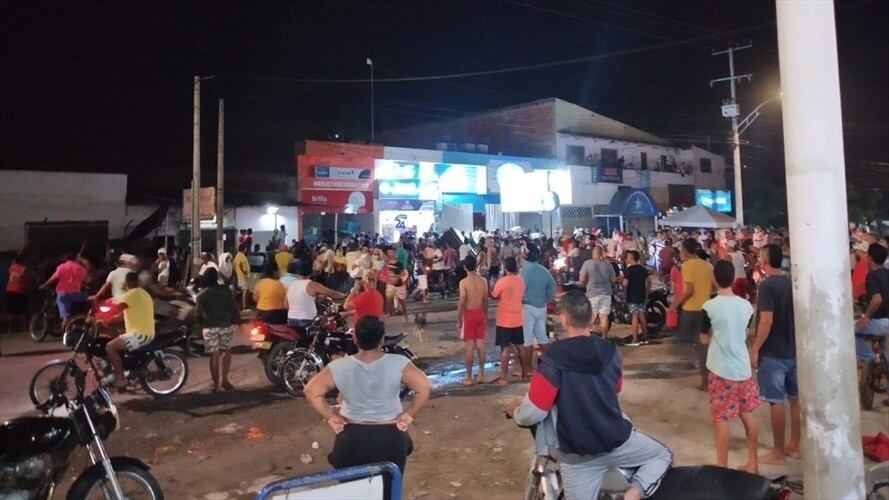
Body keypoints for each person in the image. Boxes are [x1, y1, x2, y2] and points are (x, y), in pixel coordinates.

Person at [506, 291, 672, 500]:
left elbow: (535, 413)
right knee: (662, 455)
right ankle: (633, 494)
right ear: (592, 317)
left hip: (578, 458)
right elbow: (615, 391)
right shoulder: (611, 352)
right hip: (617, 443)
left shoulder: (553, 360)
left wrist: (515, 410)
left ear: (564, 319)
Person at [305, 316, 431, 475]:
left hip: (351, 436)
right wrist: (408, 415)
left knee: (351, 490)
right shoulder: (399, 362)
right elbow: (424, 387)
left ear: (355, 338)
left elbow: (311, 391)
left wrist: (331, 416)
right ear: (382, 340)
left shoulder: (339, 366)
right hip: (390, 436)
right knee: (388, 490)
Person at [701, 260, 759, 473]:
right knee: (748, 415)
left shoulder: (709, 307)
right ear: (734, 279)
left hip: (720, 370)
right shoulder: (746, 306)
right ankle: (753, 463)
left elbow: (704, 339)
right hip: (743, 370)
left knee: (722, 420)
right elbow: (744, 332)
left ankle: (722, 469)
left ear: (714, 278)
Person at [749, 243, 801, 465]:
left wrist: (755, 347)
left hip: (774, 352)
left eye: (761, 255)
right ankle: (794, 446)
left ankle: (778, 452)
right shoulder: (789, 283)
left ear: (766, 259)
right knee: (795, 400)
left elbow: (766, 320)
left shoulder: (767, 285)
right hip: (792, 351)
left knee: (775, 401)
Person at [669, 239, 714, 391]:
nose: (680, 252)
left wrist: (674, 305)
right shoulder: (707, 265)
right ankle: (705, 375)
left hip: (691, 309)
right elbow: (714, 286)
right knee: (701, 343)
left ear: (686, 251)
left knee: (683, 340)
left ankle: (704, 377)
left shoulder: (687, 265)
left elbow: (689, 290)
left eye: (681, 249)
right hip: (706, 309)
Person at [104, 272, 155, 391]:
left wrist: (98, 319)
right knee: (115, 338)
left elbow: (115, 309)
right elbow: (122, 315)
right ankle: (125, 370)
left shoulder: (130, 295)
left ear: (127, 282)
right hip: (145, 332)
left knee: (109, 347)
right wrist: (109, 320)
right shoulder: (144, 293)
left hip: (140, 335)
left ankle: (121, 379)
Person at [195, 268, 240, 392]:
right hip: (225, 325)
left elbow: (198, 315)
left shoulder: (202, 295)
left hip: (209, 327)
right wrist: (237, 322)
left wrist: (200, 326)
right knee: (226, 352)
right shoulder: (227, 291)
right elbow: (234, 308)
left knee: (214, 356)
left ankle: (215, 384)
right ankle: (225, 380)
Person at [854, 243, 889, 403]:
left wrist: (866, 316)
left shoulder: (873, 276)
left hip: (879, 322)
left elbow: (877, 299)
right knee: (886, 354)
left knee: (851, 331)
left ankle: (869, 359)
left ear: (870, 257)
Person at [520, 244, 556, 375]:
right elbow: (552, 287)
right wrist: (545, 299)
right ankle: (552, 366)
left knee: (527, 340)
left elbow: (521, 289)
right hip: (541, 307)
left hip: (527, 307)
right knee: (542, 337)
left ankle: (528, 369)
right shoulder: (544, 271)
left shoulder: (524, 272)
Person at [491, 257, 526, 384]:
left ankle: (504, 377)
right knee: (520, 346)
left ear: (505, 268)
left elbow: (494, 295)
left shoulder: (502, 281)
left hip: (504, 319)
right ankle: (525, 373)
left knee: (505, 348)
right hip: (518, 318)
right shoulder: (521, 281)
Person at [286, 260, 346, 330]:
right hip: (307, 320)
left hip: (291, 320)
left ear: (298, 273)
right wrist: (345, 295)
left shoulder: (291, 285)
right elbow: (331, 293)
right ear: (311, 273)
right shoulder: (312, 285)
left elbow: (286, 304)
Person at [457, 255, 489, 385]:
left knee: (469, 346)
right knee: (481, 344)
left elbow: (462, 302)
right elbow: (486, 300)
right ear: (476, 266)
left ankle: (469, 377)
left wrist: (458, 319)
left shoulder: (463, 283)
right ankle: (481, 374)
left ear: (465, 267)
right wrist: (485, 315)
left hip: (469, 315)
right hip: (480, 312)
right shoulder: (484, 281)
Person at [39, 254, 88, 330]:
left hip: (63, 294)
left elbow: (53, 278)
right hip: (76, 294)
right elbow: (83, 280)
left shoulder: (62, 267)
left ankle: (65, 330)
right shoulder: (80, 268)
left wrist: (44, 285)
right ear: (76, 259)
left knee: (66, 316)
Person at [580, 246, 617, 338]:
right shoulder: (608, 265)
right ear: (601, 254)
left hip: (592, 293)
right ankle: (604, 337)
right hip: (606, 293)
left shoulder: (587, 263)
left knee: (591, 316)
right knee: (604, 316)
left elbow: (582, 279)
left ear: (593, 253)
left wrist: (584, 284)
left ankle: (588, 336)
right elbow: (613, 280)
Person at [622, 250, 650, 345]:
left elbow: (625, 284)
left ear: (631, 258)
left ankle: (635, 338)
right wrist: (646, 293)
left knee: (634, 316)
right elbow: (648, 282)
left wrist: (623, 291)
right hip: (641, 295)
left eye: (628, 257)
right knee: (642, 315)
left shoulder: (628, 270)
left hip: (632, 295)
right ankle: (645, 336)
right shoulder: (643, 269)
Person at [5, 249, 31, 333]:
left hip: (10, 289)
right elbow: (27, 279)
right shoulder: (24, 269)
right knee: (23, 311)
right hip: (20, 290)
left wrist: (23, 248)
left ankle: (10, 329)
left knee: (11, 311)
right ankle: (25, 328)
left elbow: (15, 258)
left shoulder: (12, 267)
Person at [385, 248, 409, 321]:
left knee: (403, 302)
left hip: (399, 285)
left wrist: (395, 277)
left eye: (392, 253)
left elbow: (404, 273)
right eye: (389, 253)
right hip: (390, 285)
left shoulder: (399, 264)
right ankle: (390, 312)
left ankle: (406, 316)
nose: (390, 254)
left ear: (395, 254)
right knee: (388, 299)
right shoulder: (386, 263)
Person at [234, 244, 251, 310]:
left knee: (244, 291)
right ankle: (244, 306)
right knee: (245, 291)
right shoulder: (241, 256)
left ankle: (243, 305)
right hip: (242, 275)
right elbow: (240, 264)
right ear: (244, 249)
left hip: (239, 275)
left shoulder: (238, 255)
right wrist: (244, 271)